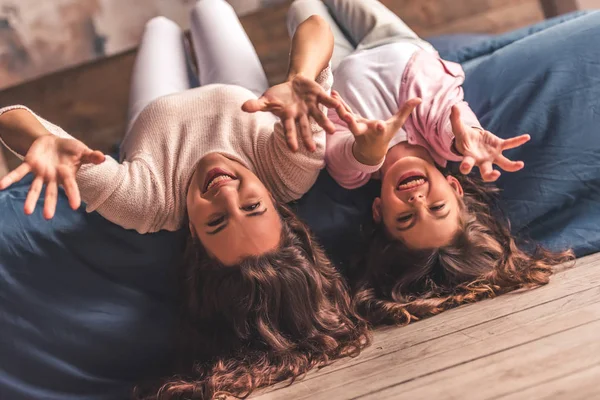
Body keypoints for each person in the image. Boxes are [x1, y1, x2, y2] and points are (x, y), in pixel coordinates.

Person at [0, 0, 369, 398]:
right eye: (251, 207)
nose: (225, 193)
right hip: (239, 93)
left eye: (216, 222)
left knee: (159, 26)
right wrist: (301, 76)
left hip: (156, 109)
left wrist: (44, 139)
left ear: (193, 237)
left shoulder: (144, 202)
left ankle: (163, 29)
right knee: (209, 7)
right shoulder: (291, 165)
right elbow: (315, 24)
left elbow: (7, 115)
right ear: (278, 206)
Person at [285, 0, 574, 325]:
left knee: (301, 8)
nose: (418, 201)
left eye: (406, 218)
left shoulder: (353, 172)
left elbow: (341, 153)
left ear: (379, 211)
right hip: (397, 44)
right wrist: (468, 135)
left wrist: (367, 151)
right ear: (454, 187)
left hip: (333, 63)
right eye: (438, 208)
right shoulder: (444, 142)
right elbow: (446, 111)